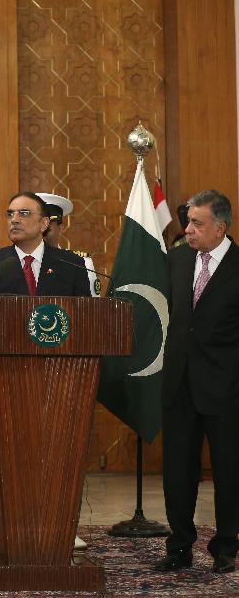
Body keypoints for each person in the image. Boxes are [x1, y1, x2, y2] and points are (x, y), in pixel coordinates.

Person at [155, 189, 238, 575]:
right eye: (188, 221)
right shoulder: (176, 260)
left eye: (197, 223)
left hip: (227, 388)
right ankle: (180, 546)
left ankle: (226, 547)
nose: (187, 229)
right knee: (177, 473)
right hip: (179, 385)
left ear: (220, 228)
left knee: (229, 471)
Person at [0, 191, 91, 297]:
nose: (14, 220)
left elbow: (85, 314)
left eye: (24, 213)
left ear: (44, 223)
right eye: (10, 214)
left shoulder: (72, 265)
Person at [38, 193, 100, 297]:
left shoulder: (79, 263)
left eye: (47, 223)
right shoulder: (17, 261)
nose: (41, 228)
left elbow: (92, 308)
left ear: (60, 227)